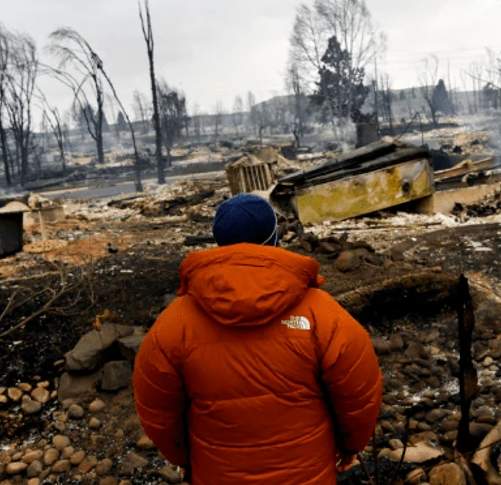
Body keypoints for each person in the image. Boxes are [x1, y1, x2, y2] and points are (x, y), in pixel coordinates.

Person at [132, 193, 383, 484]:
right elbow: (359, 394)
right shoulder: (322, 313)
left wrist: (182, 457)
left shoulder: (174, 323)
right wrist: (350, 445)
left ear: (219, 243)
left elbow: (157, 410)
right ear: (274, 237)